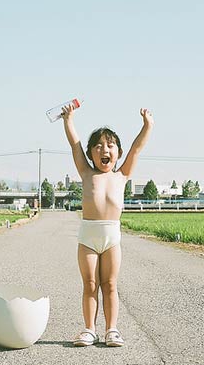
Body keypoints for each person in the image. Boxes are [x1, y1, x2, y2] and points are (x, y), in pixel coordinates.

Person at [61, 104, 154, 347]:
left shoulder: (121, 176)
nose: (105, 149)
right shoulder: (86, 173)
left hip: (112, 237)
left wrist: (147, 125)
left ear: (118, 153)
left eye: (110, 145)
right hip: (88, 237)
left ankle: (112, 329)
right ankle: (89, 329)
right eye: (99, 146)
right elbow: (74, 144)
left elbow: (137, 147)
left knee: (110, 284)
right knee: (90, 284)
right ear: (91, 154)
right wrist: (68, 119)